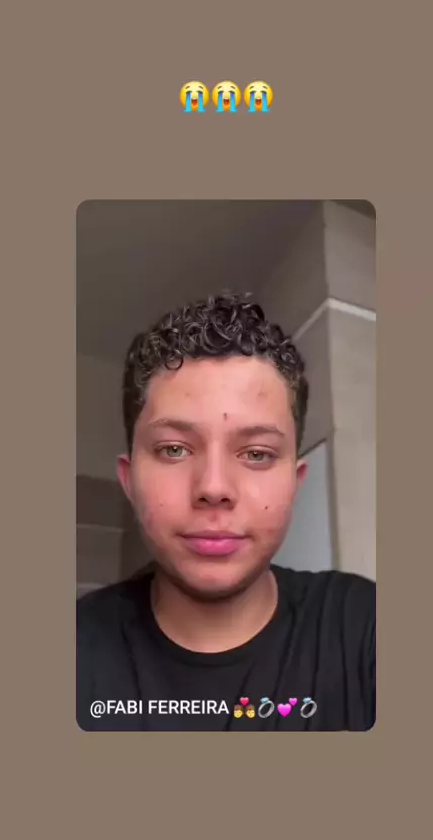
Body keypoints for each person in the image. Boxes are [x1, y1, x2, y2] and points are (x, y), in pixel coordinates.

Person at [77, 292, 375, 731]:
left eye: (256, 453)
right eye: (174, 449)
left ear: (295, 483)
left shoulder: (366, 625)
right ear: (129, 480)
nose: (214, 488)